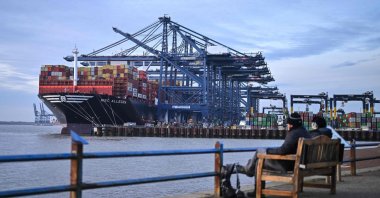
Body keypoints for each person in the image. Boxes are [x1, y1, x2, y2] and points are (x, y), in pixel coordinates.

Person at [221, 112, 311, 196]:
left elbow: (283, 150)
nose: (287, 126)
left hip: (288, 165)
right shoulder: (305, 132)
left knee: (259, 157)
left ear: (291, 124)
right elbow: (287, 149)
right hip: (299, 163)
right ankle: (247, 169)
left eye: (288, 124)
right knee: (259, 157)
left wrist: (267, 151)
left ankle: (253, 182)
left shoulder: (293, 134)